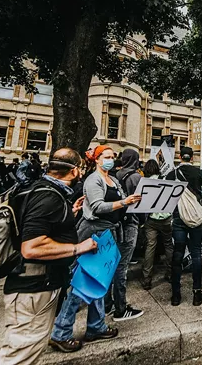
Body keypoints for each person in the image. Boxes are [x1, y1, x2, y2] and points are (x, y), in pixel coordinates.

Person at [0, 148, 96, 364]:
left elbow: (31, 225)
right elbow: (31, 246)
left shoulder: (35, 190)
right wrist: (79, 248)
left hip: (35, 283)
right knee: (22, 353)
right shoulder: (48, 197)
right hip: (33, 286)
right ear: (75, 171)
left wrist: (68, 214)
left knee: (30, 348)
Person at [50, 146, 143, 354]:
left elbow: (120, 203)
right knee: (83, 282)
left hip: (108, 233)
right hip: (94, 233)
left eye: (112, 157)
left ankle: (96, 326)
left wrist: (133, 202)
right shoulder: (94, 180)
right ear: (97, 159)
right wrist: (123, 202)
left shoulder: (113, 179)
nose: (110, 160)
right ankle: (61, 332)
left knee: (98, 280)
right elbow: (98, 206)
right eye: (106, 157)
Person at [164, 146, 202, 307]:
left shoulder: (172, 174)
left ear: (179, 157)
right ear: (191, 158)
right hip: (196, 218)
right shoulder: (197, 172)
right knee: (196, 253)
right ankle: (197, 293)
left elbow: (166, 195)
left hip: (179, 218)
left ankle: (176, 295)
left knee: (178, 254)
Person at [113, 148, 144, 320]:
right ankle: (121, 307)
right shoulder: (136, 177)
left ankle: (109, 303)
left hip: (116, 223)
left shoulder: (114, 175)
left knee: (114, 263)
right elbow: (142, 202)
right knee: (122, 266)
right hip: (130, 222)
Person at [140, 159, 174, 291]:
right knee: (168, 245)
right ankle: (170, 273)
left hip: (151, 219)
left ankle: (147, 279)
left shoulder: (144, 183)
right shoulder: (165, 180)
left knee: (150, 247)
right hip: (166, 218)